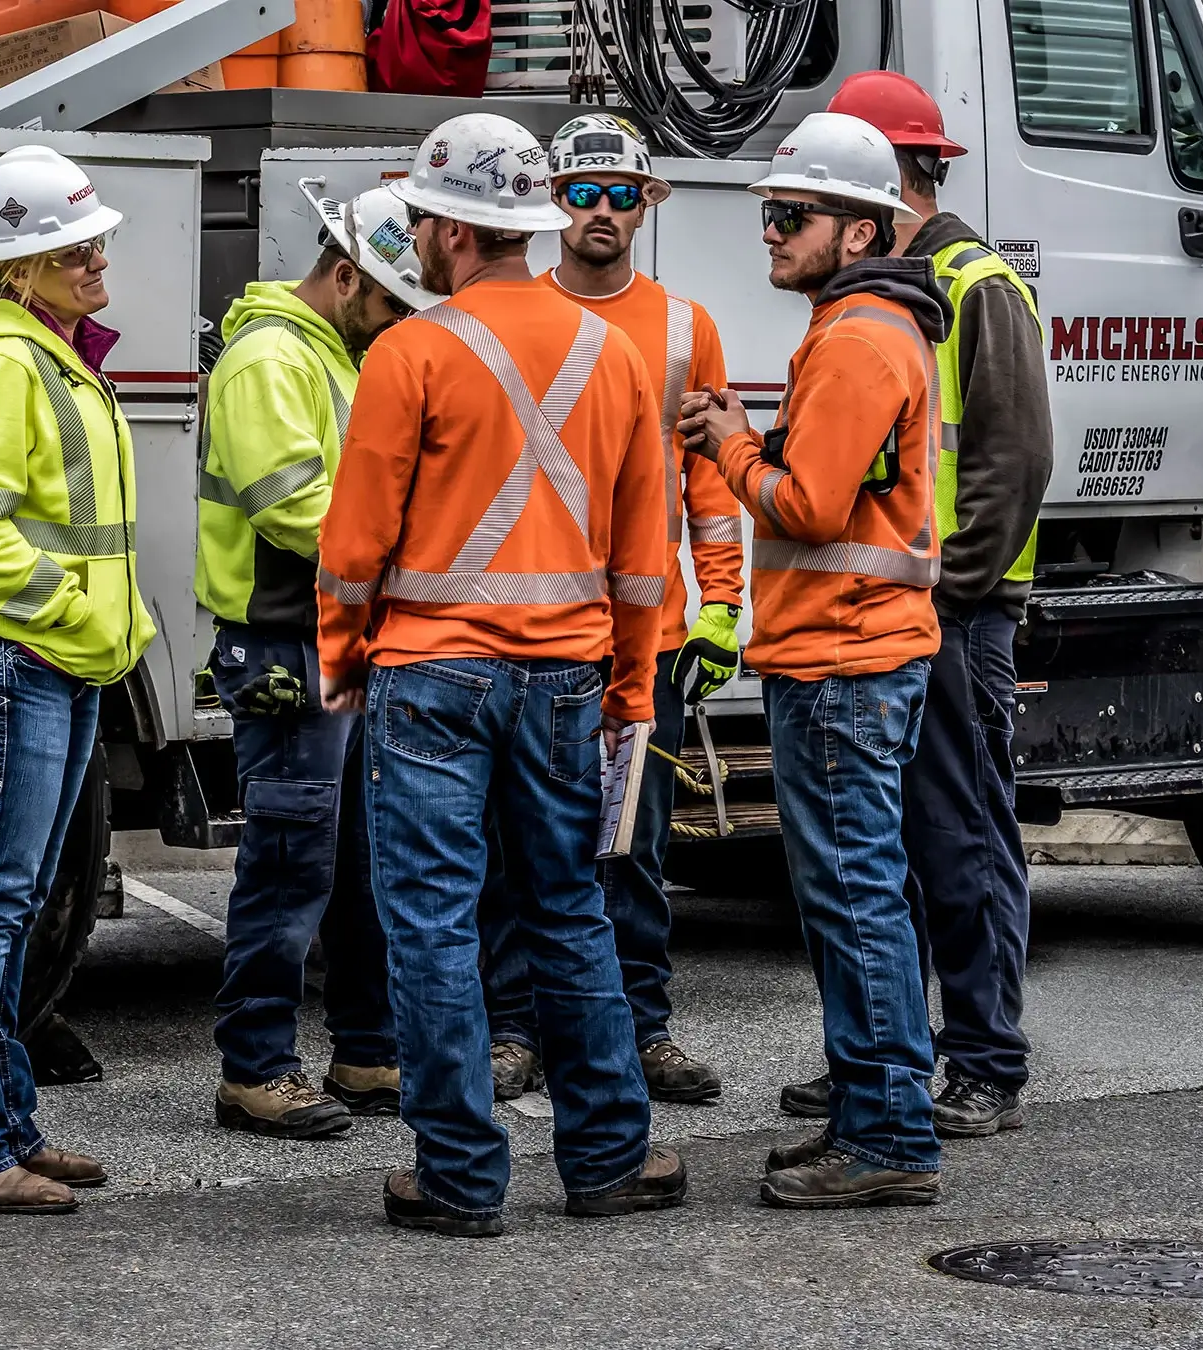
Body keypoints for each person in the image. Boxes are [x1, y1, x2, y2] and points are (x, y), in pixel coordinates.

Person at [317, 112, 686, 1238]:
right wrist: (630, 686)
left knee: (431, 924)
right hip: (569, 678)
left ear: (450, 230)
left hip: (431, 678)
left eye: (424, 220)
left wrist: (343, 658)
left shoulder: (410, 354)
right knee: (570, 910)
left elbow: (353, 543)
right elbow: (641, 554)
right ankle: (610, 1159)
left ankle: (462, 1175)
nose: (419, 238)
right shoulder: (614, 356)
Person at [772, 72, 1055, 1137]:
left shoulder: (971, 284)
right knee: (877, 846)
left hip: (951, 610)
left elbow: (1013, 456)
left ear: (881, 179)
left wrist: (949, 588)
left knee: (961, 834)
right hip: (900, 605)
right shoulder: (882, 291)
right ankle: (893, 1055)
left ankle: (984, 1058)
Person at [677, 112, 949, 1209]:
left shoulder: (855, 339)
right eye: (770, 216)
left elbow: (805, 502)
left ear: (857, 232)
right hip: (852, 649)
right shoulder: (864, 329)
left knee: (852, 897)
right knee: (855, 891)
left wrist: (727, 442)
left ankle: (886, 1134)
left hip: (843, 656)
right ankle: (869, 1106)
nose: (772, 233)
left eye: (792, 216)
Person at [479, 114, 744, 1107]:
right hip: (534, 630)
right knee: (520, 843)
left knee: (633, 842)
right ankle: (517, 1030)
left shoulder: (686, 329)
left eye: (618, 194)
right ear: (553, 203)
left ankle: (643, 1027)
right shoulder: (511, 316)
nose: (599, 210)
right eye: (581, 192)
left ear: (647, 204)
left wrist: (722, 607)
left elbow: (710, 482)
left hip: (648, 632)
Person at [0, 146, 150, 1215]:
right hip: (20, 658)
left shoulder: (48, 353)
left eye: (92, 241)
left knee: (11, 903)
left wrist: (112, 622)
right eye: (71, 249)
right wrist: (69, 615)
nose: (97, 260)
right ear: (21, 269)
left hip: (48, 657)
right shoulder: (5, 364)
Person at [196, 188, 442, 1138]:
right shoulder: (269, 358)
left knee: (360, 859)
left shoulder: (328, 354)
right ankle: (254, 1067)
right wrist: (413, 548)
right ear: (345, 276)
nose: (394, 324)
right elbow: (296, 510)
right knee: (292, 861)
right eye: (386, 301)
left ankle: (368, 1050)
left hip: (336, 633)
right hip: (290, 636)